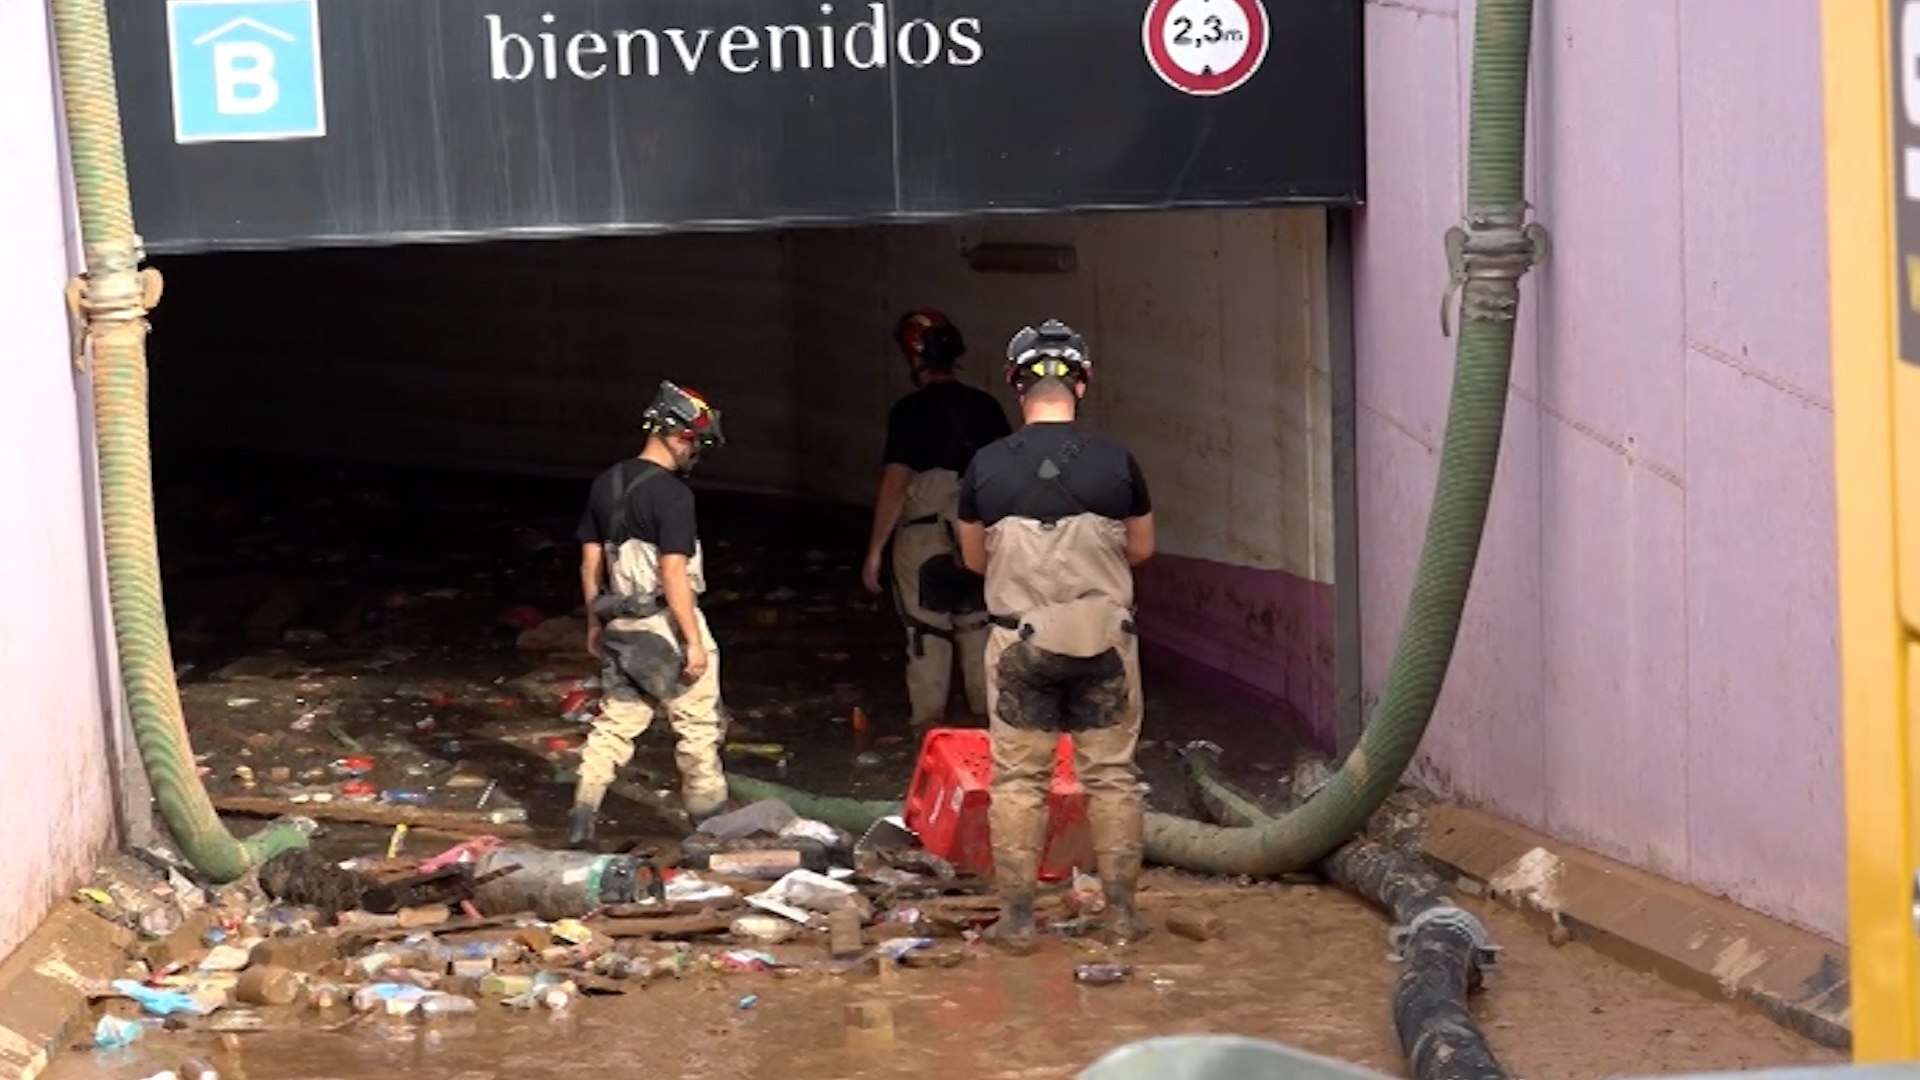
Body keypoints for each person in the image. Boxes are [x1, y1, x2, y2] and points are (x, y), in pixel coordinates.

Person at [953, 320, 1157, 948]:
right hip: (1105, 647)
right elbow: (1142, 549)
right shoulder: (1117, 461)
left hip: (1022, 646)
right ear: (1083, 381)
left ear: (1016, 383)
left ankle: (1017, 922)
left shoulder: (986, 466)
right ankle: (1121, 913)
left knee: (1018, 781)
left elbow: (972, 560)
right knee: (1112, 776)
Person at [570, 381, 730, 846]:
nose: (692, 450)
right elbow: (673, 571)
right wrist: (693, 641)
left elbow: (589, 559)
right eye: (691, 439)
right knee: (698, 727)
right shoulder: (674, 495)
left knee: (614, 725)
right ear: (672, 432)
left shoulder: (607, 482)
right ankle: (709, 828)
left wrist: (594, 622)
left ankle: (582, 815)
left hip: (622, 624)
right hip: (664, 624)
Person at [861, 309, 1012, 731]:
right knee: (980, 629)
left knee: (927, 634)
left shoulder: (909, 411)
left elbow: (895, 482)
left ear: (914, 358)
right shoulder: (986, 407)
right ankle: (991, 735)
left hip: (924, 536)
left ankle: (929, 737)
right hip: (979, 537)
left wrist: (875, 551)